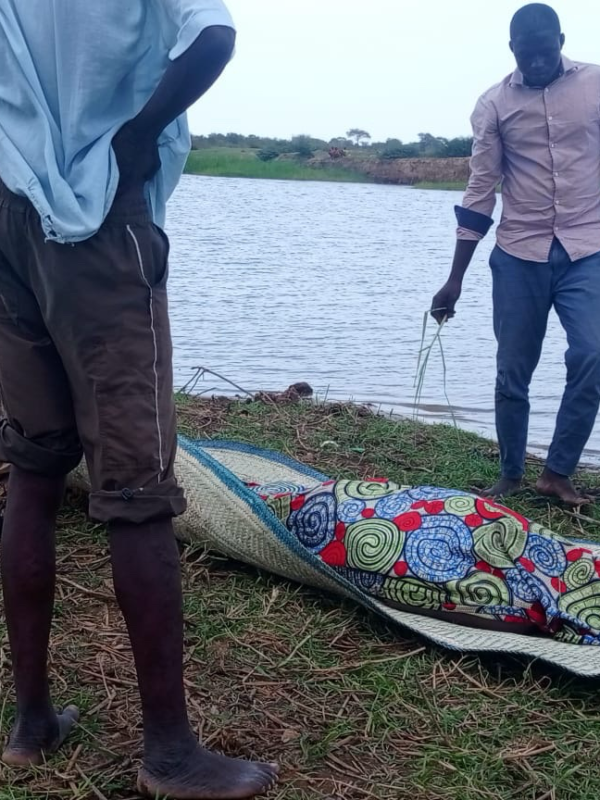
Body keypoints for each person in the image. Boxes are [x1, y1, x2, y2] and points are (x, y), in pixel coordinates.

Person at [0, 4, 278, 799]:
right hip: (99, 213)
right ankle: (171, 754)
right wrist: (137, 133)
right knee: (137, 491)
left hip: (9, 209)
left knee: (34, 467)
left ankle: (32, 724)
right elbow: (213, 34)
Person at [431, 3, 600, 507]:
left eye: (545, 51)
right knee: (512, 369)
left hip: (588, 248)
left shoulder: (595, 85)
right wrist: (454, 278)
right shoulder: (494, 104)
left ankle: (558, 472)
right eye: (527, 54)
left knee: (593, 353)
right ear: (512, 49)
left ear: (561, 41)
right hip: (519, 252)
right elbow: (481, 188)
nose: (537, 62)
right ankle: (510, 473)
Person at [248, 476, 600, 645]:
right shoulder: (517, 610)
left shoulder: (514, 611)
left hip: (355, 517)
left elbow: (398, 585)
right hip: (368, 507)